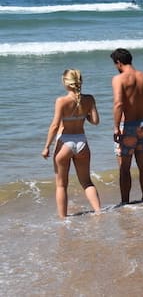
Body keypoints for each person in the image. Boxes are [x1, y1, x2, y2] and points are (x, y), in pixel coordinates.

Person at [42, 69, 102, 218]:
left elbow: (55, 126)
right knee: (87, 182)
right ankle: (99, 213)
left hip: (65, 143)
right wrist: (83, 115)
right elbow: (95, 121)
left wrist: (46, 147)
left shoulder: (61, 101)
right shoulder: (89, 99)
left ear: (65, 83)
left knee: (61, 185)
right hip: (82, 142)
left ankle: (63, 220)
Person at [110, 48, 143, 204]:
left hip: (126, 126)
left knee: (124, 168)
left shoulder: (119, 79)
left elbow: (119, 103)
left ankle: (125, 203)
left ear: (118, 63)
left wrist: (116, 127)